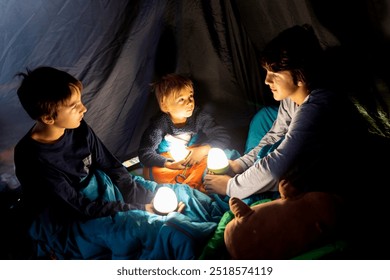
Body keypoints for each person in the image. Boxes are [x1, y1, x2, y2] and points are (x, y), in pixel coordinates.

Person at [14, 66, 190, 259]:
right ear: (48, 117)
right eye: (74, 106)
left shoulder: (79, 128)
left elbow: (112, 166)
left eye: (80, 101)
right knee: (151, 227)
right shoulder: (32, 157)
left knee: (178, 195)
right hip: (71, 215)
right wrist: (138, 209)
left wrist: (145, 198)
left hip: (100, 190)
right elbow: (78, 206)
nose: (84, 108)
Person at [204, 24, 368, 200]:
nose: (267, 80)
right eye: (267, 72)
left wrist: (230, 187)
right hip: (299, 151)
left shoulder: (318, 106)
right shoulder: (291, 98)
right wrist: (241, 164)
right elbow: (275, 134)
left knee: (281, 181)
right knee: (263, 118)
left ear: (301, 75)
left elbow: (278, 165)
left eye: (275, 74)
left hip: (335, 175)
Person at [138, 73, 231, 193]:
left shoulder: (199, 117)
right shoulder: (160, 125)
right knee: (153, 172)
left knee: (222, 157)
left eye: (191, 96)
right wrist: (168, 163)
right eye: (181, 99)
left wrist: (203, 150)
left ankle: (195, 184)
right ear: (165, 105)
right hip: (172, 164)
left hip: (196, 157)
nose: (189, 102)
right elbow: (145, 153)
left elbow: (222, 136)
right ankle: (193, 186)